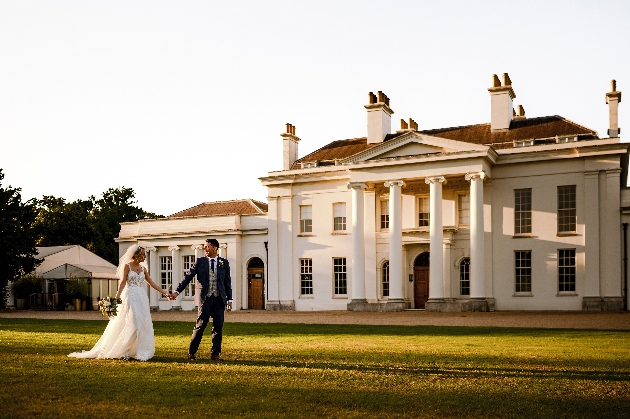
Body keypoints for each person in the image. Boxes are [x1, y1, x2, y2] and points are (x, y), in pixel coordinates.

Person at [68, 245, 168, 361]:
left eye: (144, 255)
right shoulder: (127, 267)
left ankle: (140, 351)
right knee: (134, 323)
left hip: (141, 298)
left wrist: (165, 293)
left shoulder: (143, 269)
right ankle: (123, 350)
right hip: (130, 296)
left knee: (143, 324)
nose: (144, 257)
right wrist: (115, 299)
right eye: (142, 254)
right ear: (135, 255)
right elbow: (122, 283)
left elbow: (151, 283)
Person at [168, 238, 232, 361]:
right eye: (204, 246)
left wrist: (230, 300)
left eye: (207, 246)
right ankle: (191, 352)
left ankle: (215, 354)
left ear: (214, 248)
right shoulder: (200, 262)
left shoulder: (224, 262)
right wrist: (177, 292)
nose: (205, 249)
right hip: (205, 299)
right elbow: (188, 277)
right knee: (200, 325)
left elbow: (227, 282)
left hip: (219, 300)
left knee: (218, 327)